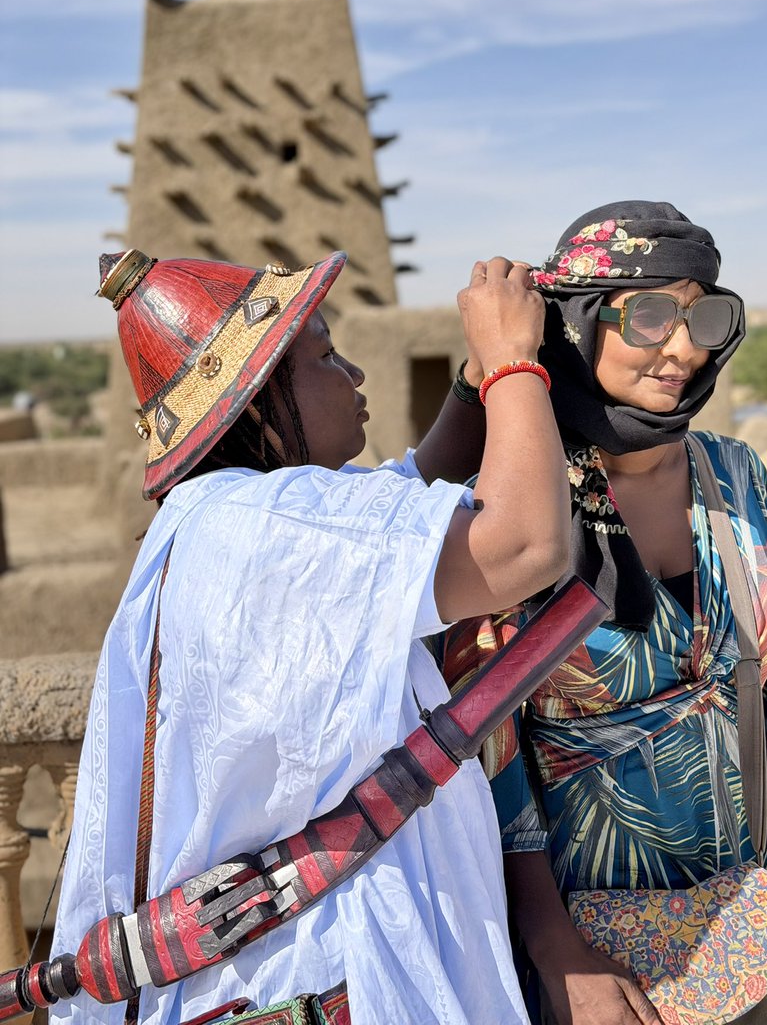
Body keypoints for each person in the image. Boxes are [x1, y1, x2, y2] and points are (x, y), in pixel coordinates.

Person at [50, 248, 573, 1025]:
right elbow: (527, 545)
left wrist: (469, 384)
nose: (355, 375)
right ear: (257, 403)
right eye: (327, 357)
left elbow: (414, 485)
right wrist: (510, 362)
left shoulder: (229, 516)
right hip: (328, 973)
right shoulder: (272, 523)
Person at [438, 202, 767, 1025]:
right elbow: (490, 752)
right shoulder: (520, 504)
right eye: (652, 314)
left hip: (756, 921)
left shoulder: (735, 476)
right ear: (581, 324)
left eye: (705, 317)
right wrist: (555, 950)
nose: (685, 347)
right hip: (593, 948)